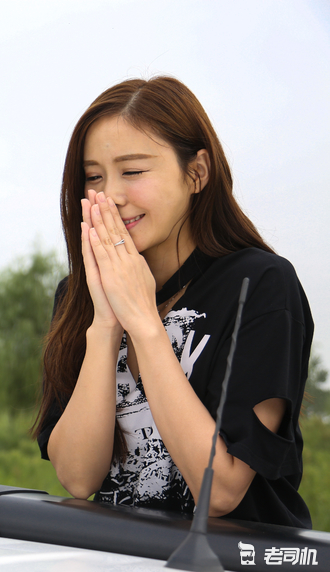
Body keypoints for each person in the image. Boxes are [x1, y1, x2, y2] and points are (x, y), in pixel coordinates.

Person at [33, 76, 313, 528]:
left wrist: (143, 322)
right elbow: (79, 477)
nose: (112, 196)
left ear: (197, 172)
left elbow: (220, 489)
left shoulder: (260, 285)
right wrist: (105, 324)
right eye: (93, 177)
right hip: (117, 559)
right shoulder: (79, 294)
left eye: (133, 171)